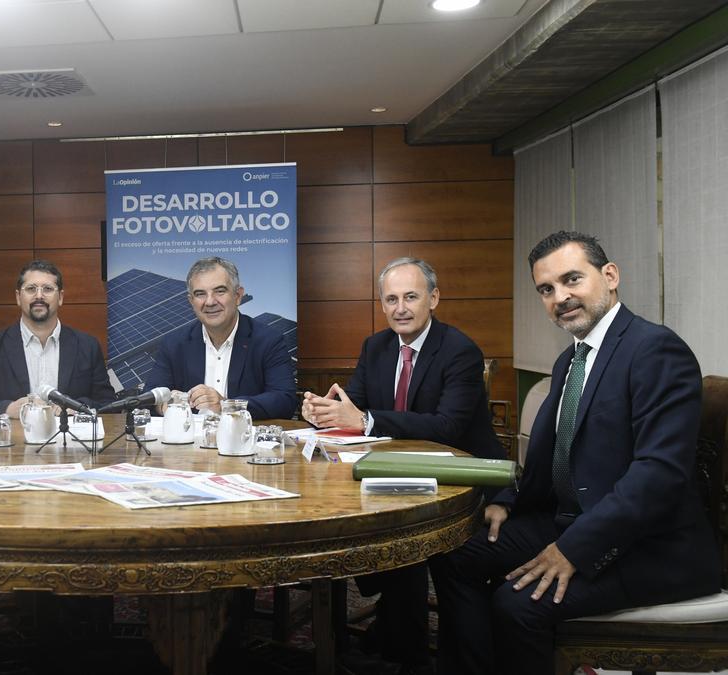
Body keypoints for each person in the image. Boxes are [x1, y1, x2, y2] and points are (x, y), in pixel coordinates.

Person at [430, 231, 721, 675]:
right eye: (546, 289)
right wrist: (508, 501)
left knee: (516, 604)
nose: (560, 297)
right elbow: (551, 460)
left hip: (651, 544)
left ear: (609, 275)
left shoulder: (655, 349)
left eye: (571, 280)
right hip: (571, 517)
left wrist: (572, 550)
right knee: (455, 553)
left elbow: (658, 476)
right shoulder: (572, 359)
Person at [303, 257, 503, 674]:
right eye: (390, 299)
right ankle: (389, 642)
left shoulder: (459, 350)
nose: (400, 308)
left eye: (410, 297)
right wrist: (326, 412)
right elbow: (355, 409)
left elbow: (447, 427)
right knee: (376, 534)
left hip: (457, 479)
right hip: (395, 471)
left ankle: (406, 651)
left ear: (433, 298)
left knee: (405, 544)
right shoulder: (375, 346)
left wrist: (367, 420)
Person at [145, 256, 298, 420]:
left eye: (219, 291)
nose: (210, 302)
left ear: (238, 296)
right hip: (188, 441)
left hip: (243, 441)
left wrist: (227, 405)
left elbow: (284, 401)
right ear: (191, 301)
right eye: (200, 294)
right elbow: (149, 398)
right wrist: (167, 405)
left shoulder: (268, 341)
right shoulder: (174, 343)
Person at [0, 259, 115, 416]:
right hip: (15, 438)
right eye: (31, 289)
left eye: (48, 289)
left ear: (61, 297)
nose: (39, 296)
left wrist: (78, 407)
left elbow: (107, 403)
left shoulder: (87, 346)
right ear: (18, 297)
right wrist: (8, 409)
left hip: (71, 438)